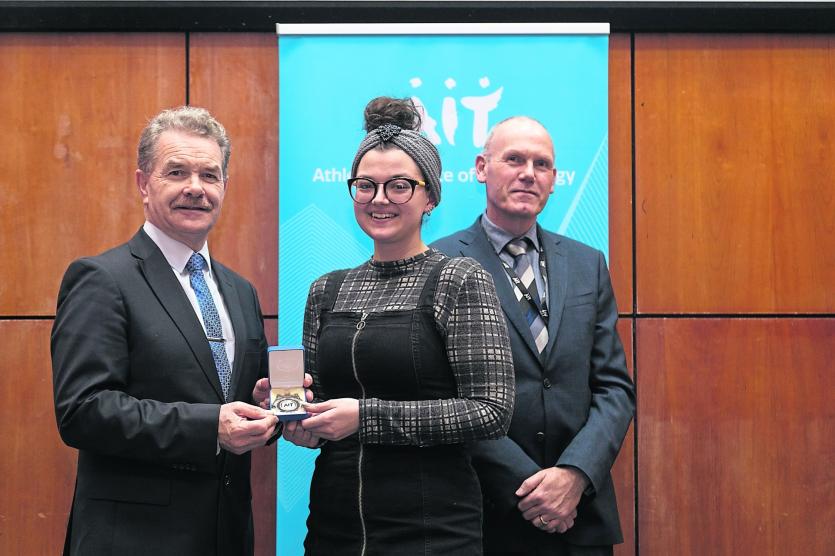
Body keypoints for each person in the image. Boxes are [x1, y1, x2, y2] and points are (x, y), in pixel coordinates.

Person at [51, 106, 298, 555]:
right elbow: (84, 411)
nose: (195, 188)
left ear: (224, 186)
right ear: (144, 184)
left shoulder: (239, 291)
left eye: (210, 175)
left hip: (225, 534)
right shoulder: (101, 278)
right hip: (132, 539)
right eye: (177, 172)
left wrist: (268, 407)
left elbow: (233, 400)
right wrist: (210, 427)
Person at [282, 97, 515, 555]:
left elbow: (492, 411)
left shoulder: (459, 279)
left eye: (399, 186)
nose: (380, 199)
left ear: (430, 197)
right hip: (335, 525)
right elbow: (322, 404)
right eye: (366, 185)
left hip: (433, 529)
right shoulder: (325, 290)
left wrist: (365, 418)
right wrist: (297, 419)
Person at [431, 116, 635, 556]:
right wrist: (529, 486)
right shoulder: (440, 262)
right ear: (482, 167)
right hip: (483, 515)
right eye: (514, 159)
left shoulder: (587, 263)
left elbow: (614, 387)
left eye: (541, 164)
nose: (528, 172)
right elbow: (443, 395)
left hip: (580, 516)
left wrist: (575, 475)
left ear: (554, 180)